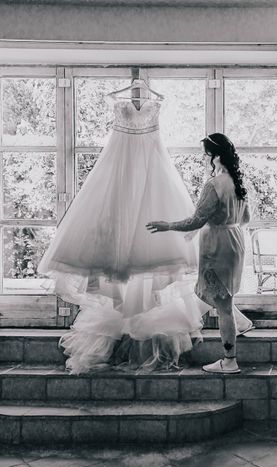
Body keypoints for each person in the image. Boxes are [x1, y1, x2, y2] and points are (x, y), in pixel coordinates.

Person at [39, 83, 210, 373]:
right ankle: (124, 331)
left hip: (152, 174)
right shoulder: (122, 105)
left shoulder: (155, 104)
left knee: (146, 252)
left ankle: (139, 329)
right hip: (120, 170)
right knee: (120, 243)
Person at [147, 133, 251, 374]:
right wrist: (226, 223)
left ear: (214, 157)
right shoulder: (239, 183)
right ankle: (241, 323)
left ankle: (229, 359)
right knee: (221, 295)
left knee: (221, 304)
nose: (206, 160)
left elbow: (196, 220)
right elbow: (246, 219)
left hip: (217, 247)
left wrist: (168, 225)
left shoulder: (214, 185)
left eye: (206, 155)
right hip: (235, 242)